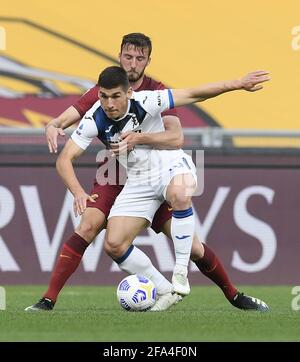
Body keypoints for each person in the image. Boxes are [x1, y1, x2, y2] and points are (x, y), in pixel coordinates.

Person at [25, 33, 269, 312]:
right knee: (101, 234)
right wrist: (54, 125)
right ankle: (52, 299)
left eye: (139, 58)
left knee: (194, 245)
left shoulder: (152, 95)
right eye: (128, 56)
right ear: (119, 58)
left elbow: (180, 129)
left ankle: (228, 293)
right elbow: (72, 131)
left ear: (145, 66)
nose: (109, 102)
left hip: (163, 170)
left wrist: (237, 83)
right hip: (121, 175)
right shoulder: (102, 95)